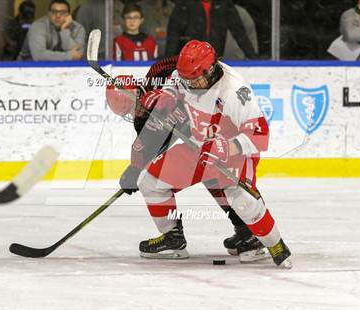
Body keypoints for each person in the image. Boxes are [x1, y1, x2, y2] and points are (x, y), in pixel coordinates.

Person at [134, 40, 291, 267]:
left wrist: (224, 147)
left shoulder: (236, 91)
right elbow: (174, 87)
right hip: (197, 146)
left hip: (234, 152)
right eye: (185, 79)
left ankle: (270, 243)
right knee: (150, 183)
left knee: (242, 200)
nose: (190, 84)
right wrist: (162, 98)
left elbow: (260, 136)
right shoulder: (186, 75)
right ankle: (173, 240)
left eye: (195, 79)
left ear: (211, 69)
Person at [105, 56, 268, 262]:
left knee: (223, 182)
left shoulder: (158, 75)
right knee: (153, 180)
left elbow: (178, 64)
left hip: (225, 137)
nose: (134, 113)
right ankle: (173, 238)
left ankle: (252, 233)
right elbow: (145, 144)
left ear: (139, 91)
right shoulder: (142, 118)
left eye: (133, 107)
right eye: (128, 113)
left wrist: (174, 88)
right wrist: (135, 168)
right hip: (200, 143)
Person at [165, 0, 256, 59]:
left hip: (215, 60)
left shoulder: (224, 4)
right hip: (190, 59)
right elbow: (173, 35)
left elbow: (239, 33)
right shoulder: (185, 4)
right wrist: (168, 60)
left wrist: (254, 59)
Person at [18, 0, 85, 61]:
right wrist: (69, 56)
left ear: (69, 15)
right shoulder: (38, 26)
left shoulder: (78, 28)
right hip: (27, 68)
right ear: (49, 13)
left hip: (65, 70)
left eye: (63, 12)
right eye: (54, 12)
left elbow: (78, 55)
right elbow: (39, 56)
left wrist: (64, 30)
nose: (58, 15)